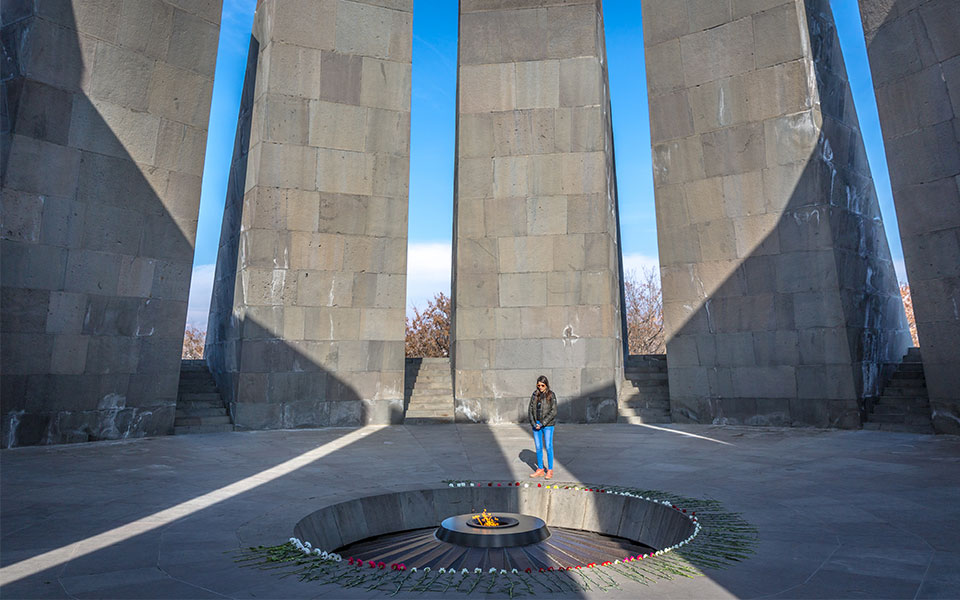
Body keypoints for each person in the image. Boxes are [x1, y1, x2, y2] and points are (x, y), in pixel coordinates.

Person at [528, 375, 557, 479]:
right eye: (538, 385)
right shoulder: (535, 395)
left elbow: (553, 411)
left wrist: (542, 423)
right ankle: (540, 469)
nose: (540, 387)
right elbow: (530, 410)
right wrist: (533, 423)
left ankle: (550, 470)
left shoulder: (551, 395)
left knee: (548, 447)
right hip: (536, 424)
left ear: (546, 385)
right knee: (538, 447)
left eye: (542, 385)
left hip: (548, 425)